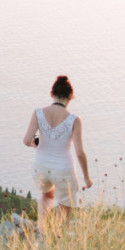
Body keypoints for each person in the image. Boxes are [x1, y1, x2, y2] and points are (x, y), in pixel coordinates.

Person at [22, 75, 92, 235]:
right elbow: (80, 153)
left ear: (51, 93)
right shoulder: (74, 120)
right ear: (71, 96)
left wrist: (36, 144)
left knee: (47, 195)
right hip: (63, 171)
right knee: (65, 205)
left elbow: (27, 140)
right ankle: (58, 239)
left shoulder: (38, 113)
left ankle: (41, 229)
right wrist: (87, 177)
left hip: (40, 168)